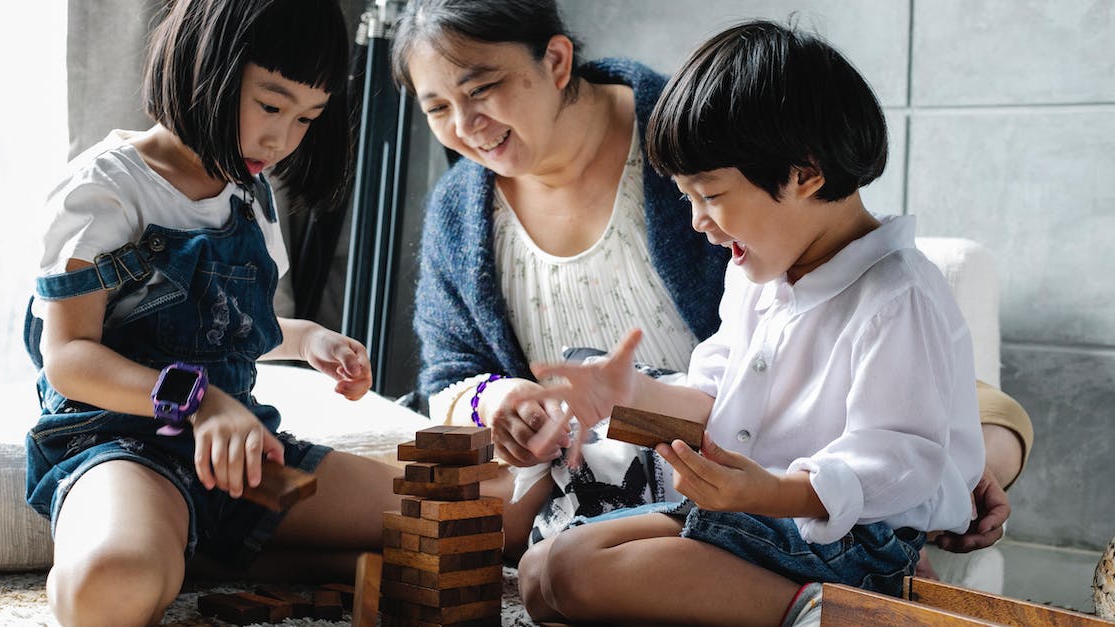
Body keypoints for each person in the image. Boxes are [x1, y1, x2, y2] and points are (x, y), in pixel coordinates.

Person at [392, 0, 1032, 568]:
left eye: (483, 88)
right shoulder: (461, 212)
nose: (465, 124)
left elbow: (897, 424)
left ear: (556, 61)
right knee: (516, 548)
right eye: (437, 107)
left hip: (752, 475)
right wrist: (542, 397)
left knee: (571, 565)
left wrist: (968, 466)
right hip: (650, 442)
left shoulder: (702, 139)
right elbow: (451, 377)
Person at [512, 21, 987, 625]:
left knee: (577, 571)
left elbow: (901, 462)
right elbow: (713, 399)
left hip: (849, 539)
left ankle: (840, 616)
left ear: (805, 173)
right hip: (755, 514)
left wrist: (766, 491)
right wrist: (623, 393)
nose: (697, 222)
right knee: (541, 572)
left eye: (709, 194)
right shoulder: (755, 277)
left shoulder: (898, 294)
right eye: (687, 198)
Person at [22, 1, 400, 624]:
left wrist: (309, 341)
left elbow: (234, 327)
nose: (280, 139)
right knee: (110, 585)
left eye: (308, 117)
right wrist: (198, 400)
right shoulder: (104, 188)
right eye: (271, 105)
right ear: (206, 63)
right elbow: (68, 359)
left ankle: (205, 553)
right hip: (121, 446)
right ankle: (174, 546)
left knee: (457, 521)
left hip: (238, 454)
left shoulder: (248, 194)